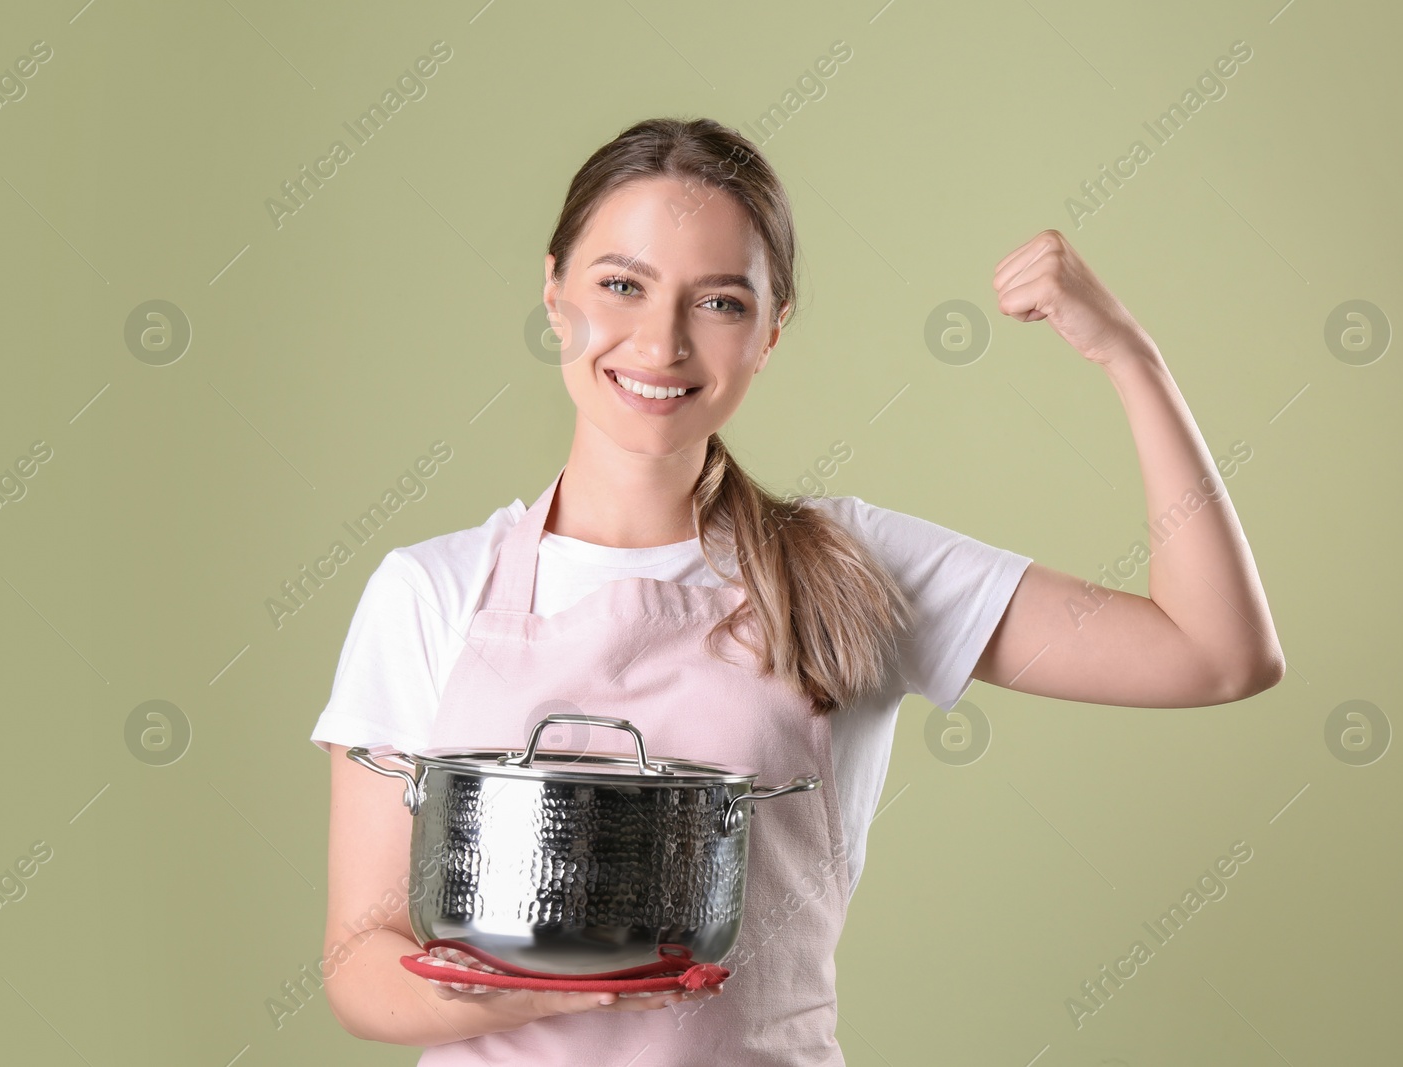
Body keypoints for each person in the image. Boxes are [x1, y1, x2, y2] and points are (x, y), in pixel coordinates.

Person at [311, 116, 1284, 1064]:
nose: (660, 342)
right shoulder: (432, 589)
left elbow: (1214, 653)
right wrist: (552, 985)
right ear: (555, 291)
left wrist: (1129, 356)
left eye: (720, 301)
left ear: (771, 331)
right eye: (621, 284)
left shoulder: (846, 565)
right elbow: (361, 957)